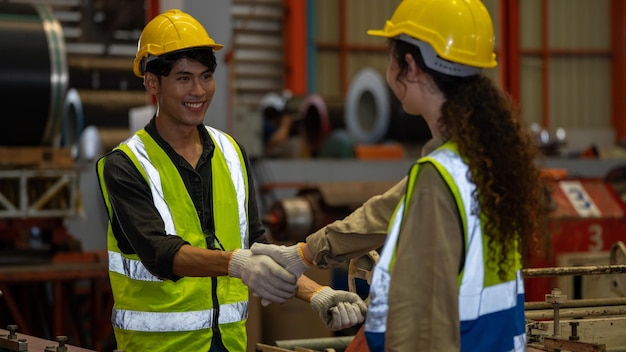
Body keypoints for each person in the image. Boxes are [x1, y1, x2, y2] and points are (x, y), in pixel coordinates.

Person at [251, 0, 549, 351]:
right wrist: (305, 252)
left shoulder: (438, 177)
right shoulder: (481, 159)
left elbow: (421, 324)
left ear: (408, 65)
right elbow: (385, 211)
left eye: (392, 56)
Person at [96, 9, 366, 352]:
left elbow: (256, 246)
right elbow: (160, 253)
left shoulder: (231, 152)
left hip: (229, 345)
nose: (199, 90)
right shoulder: (125, 165)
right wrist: (236, 264)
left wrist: (318, 295)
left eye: (206, 76)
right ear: (152, 82)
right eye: (183, 78)